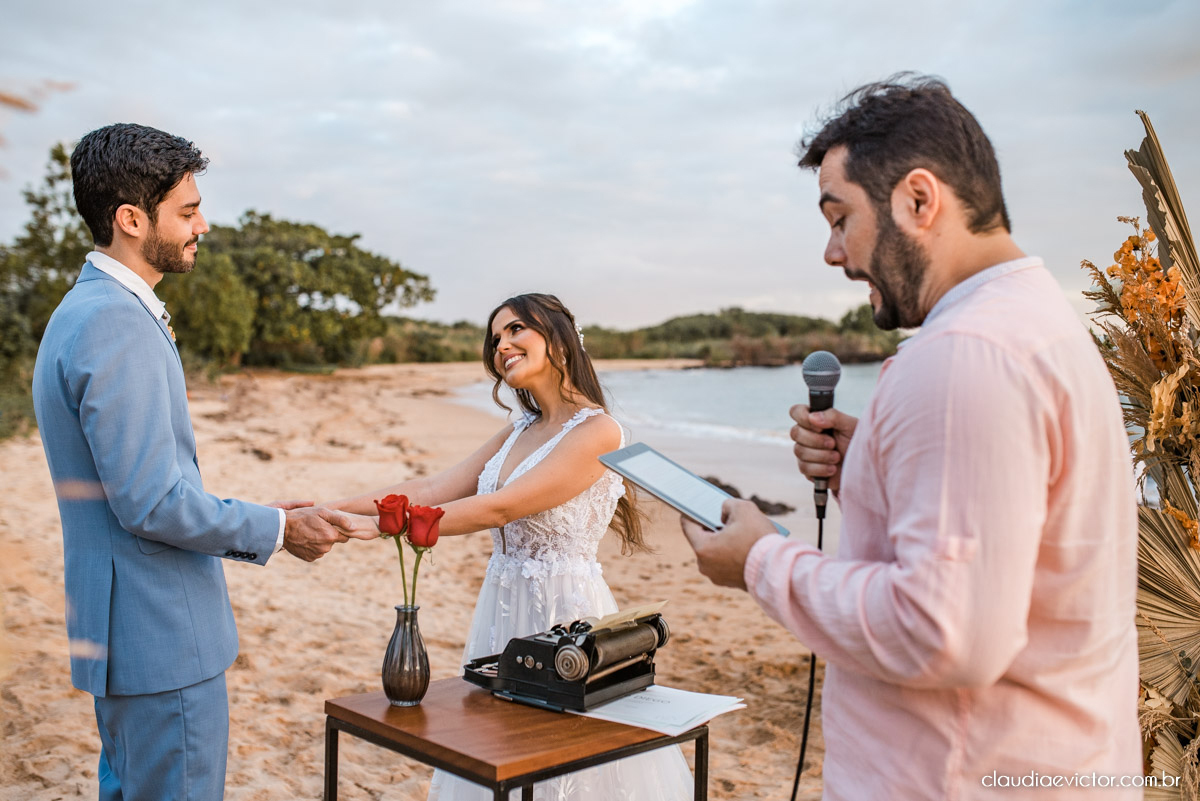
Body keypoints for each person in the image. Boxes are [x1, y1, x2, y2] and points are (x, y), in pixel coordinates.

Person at [680, 77, 1141, 799]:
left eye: (841, 218)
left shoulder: (966, 354)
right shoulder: (1038, 320)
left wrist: (760, 561)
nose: (834, 253)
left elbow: (944, 630)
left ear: (918, 201)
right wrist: (873, 461)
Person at [31, 123, 370, 801]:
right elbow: (151, 502)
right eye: (186, 211)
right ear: (131, 219)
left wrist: (265, 510)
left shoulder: (80, 310)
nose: (202, 225)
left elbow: (137, 483)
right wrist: (278, 529)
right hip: (159, 641)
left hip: (123, 636)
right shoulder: (114, 320)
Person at [329, 293, 693, 800]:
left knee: (565, 763)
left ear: (560, 340)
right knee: (495, 752)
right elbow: (438, 488)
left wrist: (394, 527)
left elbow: (502, 507)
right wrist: (334, 509)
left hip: (566, 616)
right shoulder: (519, 429)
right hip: (502, 610)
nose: (502, 345)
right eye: (496, 337)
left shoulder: (599, 431)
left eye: (516, 329)